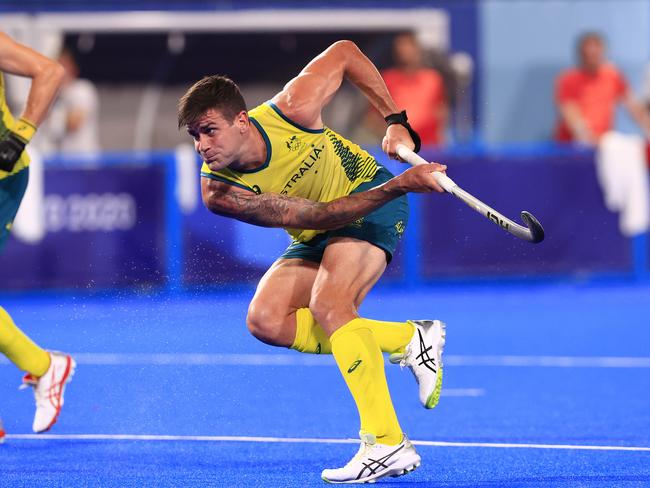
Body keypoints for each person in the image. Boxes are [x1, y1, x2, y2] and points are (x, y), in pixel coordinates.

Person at [178, 40, 447, 483]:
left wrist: (396, 122)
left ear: (241, 121)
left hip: (369, 199)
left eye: (210, 130)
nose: (202, 146)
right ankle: (407, 338)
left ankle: (386, 442)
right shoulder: (219, 192)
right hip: (325, 223)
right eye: (194, 136)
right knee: (266, 320)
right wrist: (404, 183)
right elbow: (316, 216)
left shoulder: (292, 108)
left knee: (330, 307)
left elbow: (344, 53)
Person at [0, 31, 76, 433]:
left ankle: (46, 367)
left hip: (1, 176)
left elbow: (49, 71)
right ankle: (45, 367)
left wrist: (20, 134)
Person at [555, 32, 650, 144]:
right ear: (581, 54)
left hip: (603, 143)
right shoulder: (568, 79)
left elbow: (633, 107)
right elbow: (570, 111)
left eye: (595, 53)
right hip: (572, 145)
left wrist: (647, 127)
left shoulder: (612, 75)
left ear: (602, 52)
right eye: (588, 54)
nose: (592, 57)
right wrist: (584, 134)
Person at [365, 32, 448, 147]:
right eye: (401, 48)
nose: (405, 52)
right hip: (400, 151)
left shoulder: (433, 79)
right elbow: (372, 118)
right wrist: (394, 134)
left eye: (408, 47)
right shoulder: (387, 79)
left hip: (430, 148)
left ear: (417, 50)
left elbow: (442, 112)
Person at [44, 47, 100, 155]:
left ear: (73, 67)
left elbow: (74, 123)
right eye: (56, 65)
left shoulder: (82, 89)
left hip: (83, 161)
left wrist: (47, 113)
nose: (60, 70)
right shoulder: (55, 95)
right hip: (62, 160)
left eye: (64, 65)